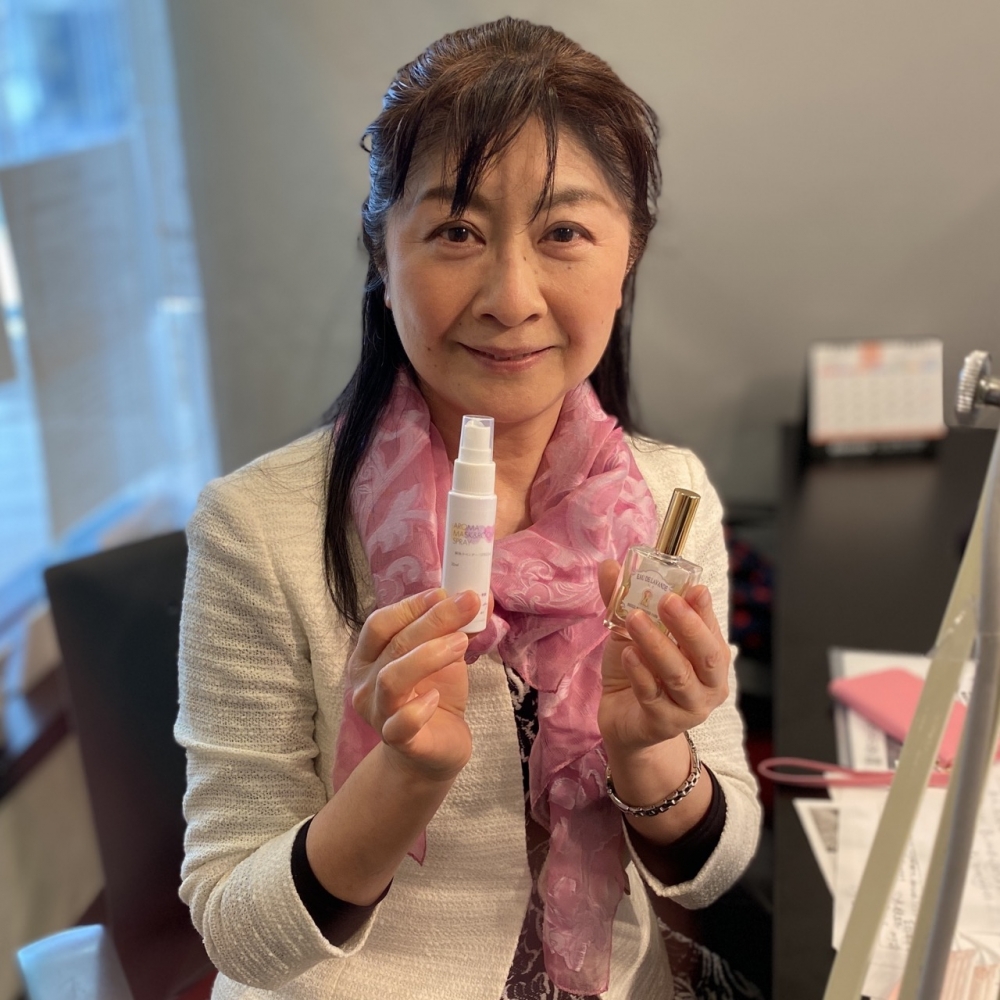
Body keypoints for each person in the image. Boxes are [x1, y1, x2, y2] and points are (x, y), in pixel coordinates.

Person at [176, 16, 761, 1000]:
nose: (511, 296)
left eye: (564, 233)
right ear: (381, 252)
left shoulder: (668, 503)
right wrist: (401, 778)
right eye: (455, 231)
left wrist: (648, 750)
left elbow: (717, 862)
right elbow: (238, 934)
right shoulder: (258, 528)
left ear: (628, 256)